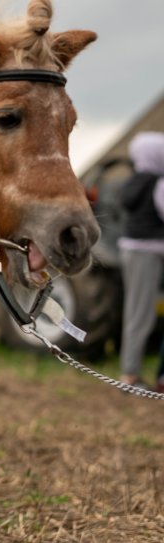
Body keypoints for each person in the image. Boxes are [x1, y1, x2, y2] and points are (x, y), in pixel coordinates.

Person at [117, 131, 164, 389]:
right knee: (141, 315)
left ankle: (130, 372)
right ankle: (130, 375)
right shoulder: (158, 183)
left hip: (133, 250)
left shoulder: (134, 182)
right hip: (150, 253)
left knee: (135, 312)